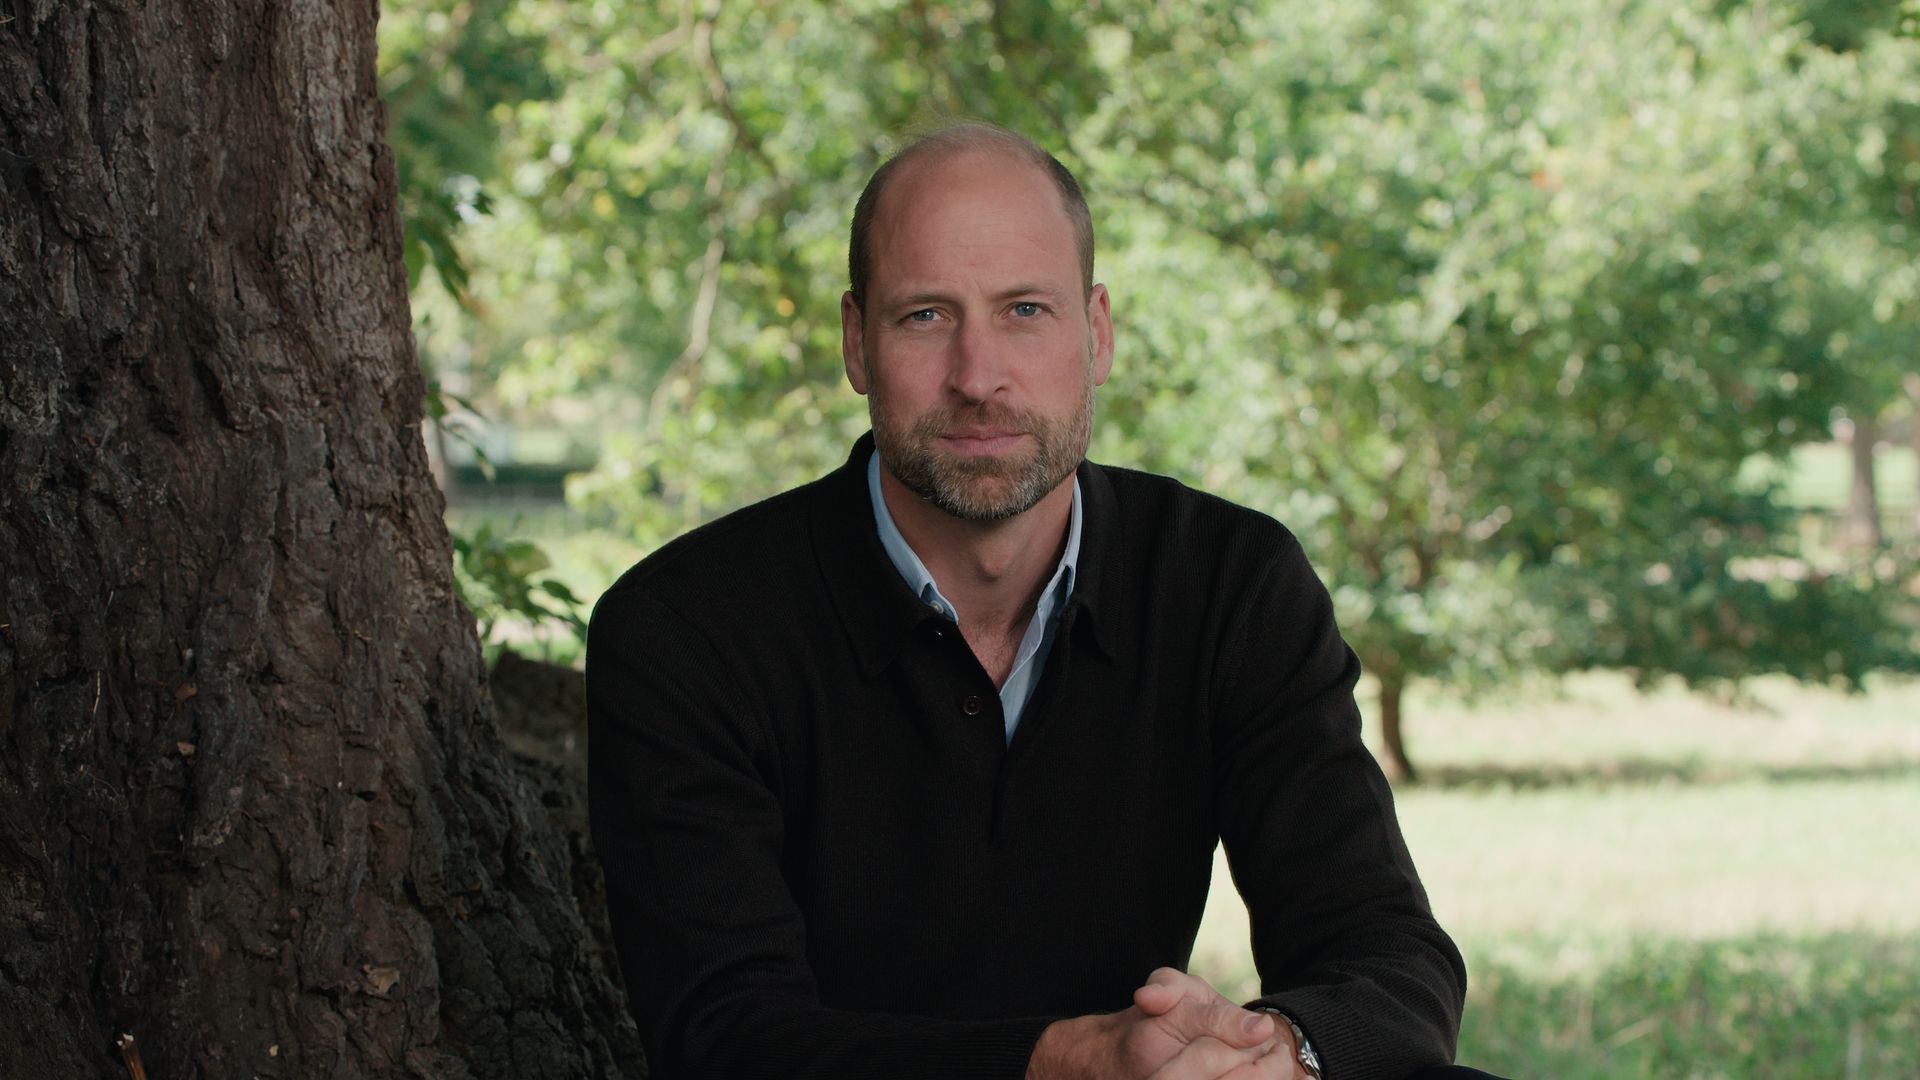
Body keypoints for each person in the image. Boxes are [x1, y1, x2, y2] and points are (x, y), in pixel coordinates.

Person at [588, 122, 1484, 1079]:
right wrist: (1066, 1062)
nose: (980, 378)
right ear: (857, 344)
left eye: (1025, 310)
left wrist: (1283, 1058)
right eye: (925, 316)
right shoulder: (684, 629)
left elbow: (1389, 954)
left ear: (1096, 334)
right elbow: (725, 1037)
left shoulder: (1229, 583)